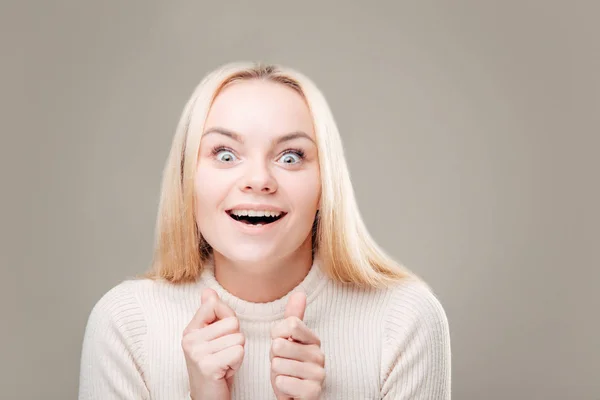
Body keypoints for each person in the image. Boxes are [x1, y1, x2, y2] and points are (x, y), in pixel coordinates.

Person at [78, 62, 451, 400]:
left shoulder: (404, 321)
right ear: (186, 179)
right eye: (225, 155)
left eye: (290, 157)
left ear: (326, 186)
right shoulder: (127, 324)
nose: (259, 180)